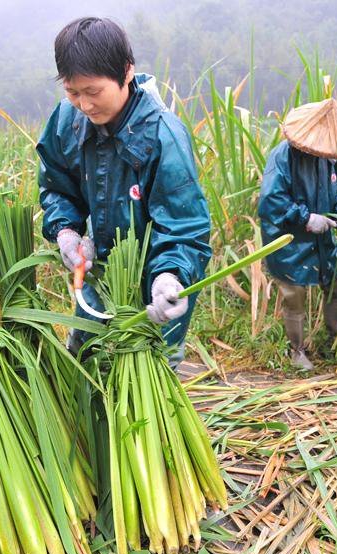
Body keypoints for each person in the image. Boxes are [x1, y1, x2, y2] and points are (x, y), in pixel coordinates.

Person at [36, 17, 211, 366]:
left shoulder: (164, 135)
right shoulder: (66, 120)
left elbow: (185, 225)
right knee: (86, 362)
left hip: (156, 285)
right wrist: (67, 231)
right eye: (73, 92)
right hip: (100, 272)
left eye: (94, 91)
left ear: (127, 72)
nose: (84, 104)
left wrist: (170, 275)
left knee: (152, 371)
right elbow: (57, 186)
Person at [258, 98, 337, 370]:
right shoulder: (283, 156)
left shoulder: (330, 159)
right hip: (290, 240)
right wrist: (306, 218)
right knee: (294, 295)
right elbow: (272, 201)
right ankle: (297, 351)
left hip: (322, 240)